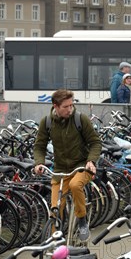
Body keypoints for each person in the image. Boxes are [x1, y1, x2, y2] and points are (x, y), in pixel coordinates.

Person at [34, 89, 102, 242]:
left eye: (71, 105)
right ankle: (55, 241)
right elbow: (39, 146)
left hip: (82, 166)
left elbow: (95, 142)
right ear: (55, 106)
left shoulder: (80, 119)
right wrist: (39, 162)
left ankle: (82, 221)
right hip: (60, 170)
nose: (70, 109)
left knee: (75, 185)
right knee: (55, 209)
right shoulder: (47, 122)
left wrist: (91, 160)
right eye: (66, 106)